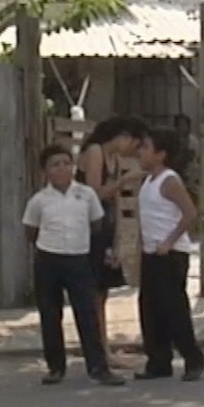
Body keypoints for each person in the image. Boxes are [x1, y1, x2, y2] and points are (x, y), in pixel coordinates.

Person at [24, 145, 126, 386]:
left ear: (73, 167)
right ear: (46, 172)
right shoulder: (39, 200)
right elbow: (30, 230)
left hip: (79, 258)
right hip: (48, 259)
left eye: (66, 163)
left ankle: (98, 368)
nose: (61, 169)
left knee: (87, 313)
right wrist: (47, 246)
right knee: (50, 313)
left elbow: (97, 224)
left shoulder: (86, 194)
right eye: (55, 165)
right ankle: (55, 367)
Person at [134, 128, 204, 381]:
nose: (140, 152)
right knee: (150, 308)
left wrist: (169, 241)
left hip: (170, 253)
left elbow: (190, 214)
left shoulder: (170, 180)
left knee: (173, 308)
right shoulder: (148, 181)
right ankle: (158, 360)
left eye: (146, 147)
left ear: (161, 154)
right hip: (151, 253)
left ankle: (193, 357)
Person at [78, 115, 147, 367]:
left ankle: (103, 349)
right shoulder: (95, 152)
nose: (133, 151)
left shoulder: (115, 159)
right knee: (92, 291)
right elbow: (94, 194)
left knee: (102, 291)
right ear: (122, 136)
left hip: (105, 228)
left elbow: (115, 202)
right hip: (88, 228)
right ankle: (98, 351)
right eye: (134, 144)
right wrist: (125, 181)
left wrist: (118, 238)